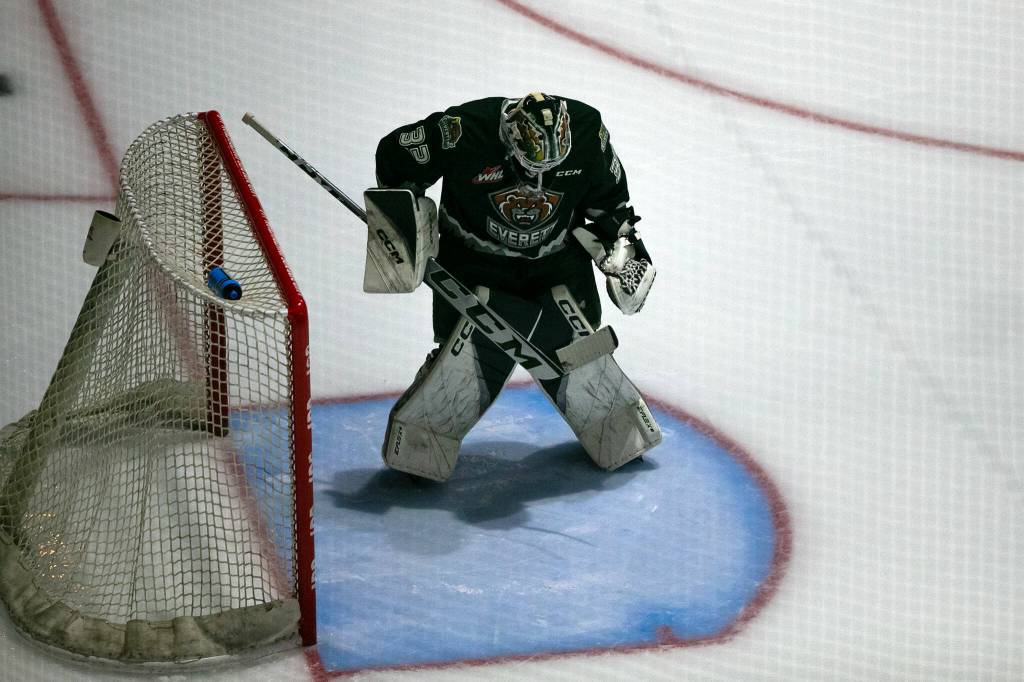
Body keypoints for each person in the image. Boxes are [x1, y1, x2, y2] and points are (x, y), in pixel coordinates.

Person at [366, 92, 661, 481]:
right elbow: (394, 161)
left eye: (550, 170)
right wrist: (401, 219)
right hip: (474, 264)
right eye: (529, 168)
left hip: (556, 263)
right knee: (467, 353)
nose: (538, 184)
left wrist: (622, 246)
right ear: (509, 138)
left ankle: (616, 429)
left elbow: (611, 204)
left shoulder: (588, 131)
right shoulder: (463, 130)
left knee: (578, 350)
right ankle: (423, 439)